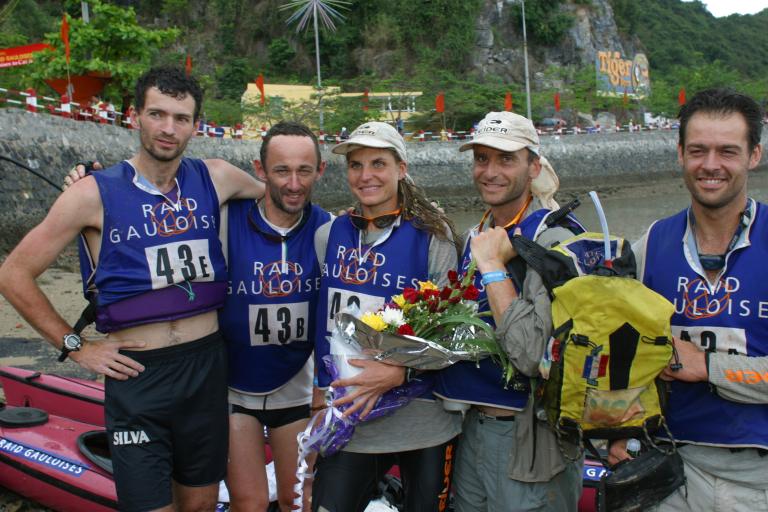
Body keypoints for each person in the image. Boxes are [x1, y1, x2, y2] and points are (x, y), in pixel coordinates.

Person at [0, 66, 265, 512]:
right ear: (134, 116)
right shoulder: (91, 193)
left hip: (205, 368)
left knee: (200, 504)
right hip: (138, 375)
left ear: (195, 126)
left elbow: (283, 200)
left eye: (181, 118)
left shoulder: (217, 176)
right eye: (157, 114)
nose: (168, 128)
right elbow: (13, 274)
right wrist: (75, 346)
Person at [611, 88, 768, 511]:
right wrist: (617, 427)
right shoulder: (651, 244)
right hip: (669, 473)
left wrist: (708, 366)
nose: (711, 165)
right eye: (698, 150)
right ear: (681, 154)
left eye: (727, 151)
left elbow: (694, 364)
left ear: (754, 155)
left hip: (757, 480)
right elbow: (621, 350)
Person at [311, 121, 463, 511]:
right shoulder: (328, 234)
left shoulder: (435, 236)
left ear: (401, 169)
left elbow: (453, 333)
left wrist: (401, 372)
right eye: (356, 165)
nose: (366, 176)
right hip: (351, 421)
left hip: (423, 423)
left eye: (378, 163)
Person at [435, 111, 582, 511]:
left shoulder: (553, 239)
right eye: (481, 159)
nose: (490, 172)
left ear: (534, 167)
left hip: (529, 436)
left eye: (506, 159)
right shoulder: (479, 234)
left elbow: (532, 354)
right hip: (472, 426)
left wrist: (493, 267)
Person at [221, 121, 330, 511]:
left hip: (296, 388)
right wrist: (90, 181)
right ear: (260, 169)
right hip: (234, 388)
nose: (294, 184)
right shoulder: (226, 219)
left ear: (320, 171)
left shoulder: (329, 230)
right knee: (249, 502)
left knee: (297, 500)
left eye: (304, 170)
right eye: (282, 170)